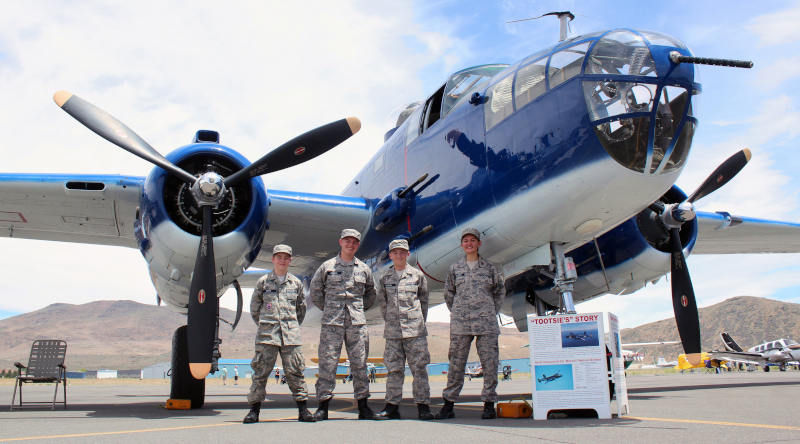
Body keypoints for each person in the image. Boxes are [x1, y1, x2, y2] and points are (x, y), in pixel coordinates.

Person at [435, 228, 505, 420]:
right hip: (461, 323)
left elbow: (499, 291)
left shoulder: (490, 268)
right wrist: (459, 311)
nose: (469, 243)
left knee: (490, 363)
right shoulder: (455, 269)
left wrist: (489, 310)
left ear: (479, 244)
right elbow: (449, 294)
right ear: (461, 245)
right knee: (456, 364)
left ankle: (489, 404)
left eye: (473, 240)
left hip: (486, 323)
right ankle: (448, 405)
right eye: (465, 241)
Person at [243, 244, 315, 424]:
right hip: (267, 337)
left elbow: (301, 310)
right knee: (260, 372)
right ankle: (254, 411)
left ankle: (303, 410)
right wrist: (267, 326)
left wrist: (289, 326)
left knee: (296, 372)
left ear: (290, 261)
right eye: (279, 257)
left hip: (290, 337)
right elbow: (255, 309)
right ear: (273, 259)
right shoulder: (263, 282)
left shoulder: (296, 283)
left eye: (286, 257)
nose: (282, 260)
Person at [310, 229, 377, 421]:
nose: (351, 244)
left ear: (357, 245)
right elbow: (316, 291)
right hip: (332, 324)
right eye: (347, 241)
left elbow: (371, 294)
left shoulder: (364, 269)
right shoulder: (327, 267)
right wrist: (331, 309)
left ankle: (363, 407)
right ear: (340, 242)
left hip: (357, 325)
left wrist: (357, 310)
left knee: (360, 364)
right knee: (328, 364)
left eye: (355, 242)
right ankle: (323, 407)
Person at [373, 239, 434, 421]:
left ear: (408, 254)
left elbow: (423, 303)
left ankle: (423, 407)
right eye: (395, 252)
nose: (399, 255)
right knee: (394, 370)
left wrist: (416, 323)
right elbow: (384, 306)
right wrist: (393, 322)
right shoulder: (384, 279)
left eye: (402, 252)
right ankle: (392, 407)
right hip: (393, 333)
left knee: (420, 369)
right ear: (390, 256)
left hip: (415, 332)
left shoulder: (417, 276)